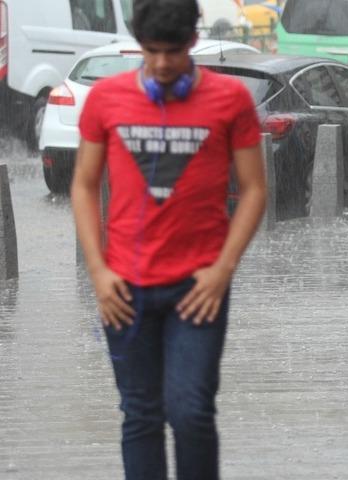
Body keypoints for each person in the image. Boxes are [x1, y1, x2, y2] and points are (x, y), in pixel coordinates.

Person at [70, 0, 267, 478]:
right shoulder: (106, 99)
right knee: (139, 414)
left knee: (191, 411)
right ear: (138, 44)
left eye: (173, 51)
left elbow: (255, 189)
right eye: (151, 50)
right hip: (124, 289)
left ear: (193, 42)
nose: (161, 64)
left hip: (197, 289)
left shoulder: (230, 100)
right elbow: (83, 184)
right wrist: (97, 271)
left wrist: (222, 271)